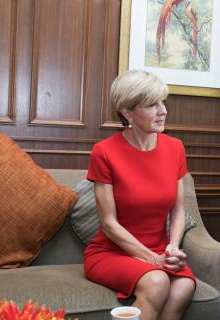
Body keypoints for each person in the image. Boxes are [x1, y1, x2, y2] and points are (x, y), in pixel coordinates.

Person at [84, 70, 195, 320]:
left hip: (160, 250)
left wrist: (172, 250)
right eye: (151, 104)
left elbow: (178, 210)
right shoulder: (104, 152)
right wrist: (152, 260)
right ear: (127, 111)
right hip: (111, 252)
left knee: (184, 287)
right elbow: (109, 224)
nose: (163, 110)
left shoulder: (175, 148)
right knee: (157, 282)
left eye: (163, 102)